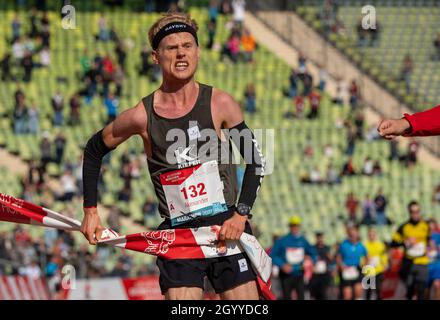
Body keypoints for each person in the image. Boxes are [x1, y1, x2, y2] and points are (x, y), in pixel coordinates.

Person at [80, 12, 265, 301]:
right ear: (156, 57)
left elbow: (255, 160)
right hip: (179, 238)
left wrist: (241, 214)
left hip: (224, 229)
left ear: (198, 52)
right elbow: (93, 149)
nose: (181, 53)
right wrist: (90, 210)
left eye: (187, 45)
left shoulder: (221, 103)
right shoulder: (141, 116)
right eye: (171, 47)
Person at [391, 201, 430, 300]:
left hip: (422, 262)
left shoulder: (425, 226)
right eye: (413, 211)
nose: (415, 214)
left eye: (417, 211)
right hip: (408, 263)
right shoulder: (404, 227)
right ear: (409, 212)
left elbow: (429, 241)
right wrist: (405, 242)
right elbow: (393, 243)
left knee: (421, 290)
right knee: (409, 291)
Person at [270, 216, 317, 300]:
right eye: (293, 225)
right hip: (286, 275)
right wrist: (282, 265)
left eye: (297, 225)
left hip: (299, 273)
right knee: (287, 297)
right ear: (290, 226)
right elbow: (272, 255)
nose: (295, 227)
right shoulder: (282, 240)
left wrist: (310, 261)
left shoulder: (303, 240)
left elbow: (314, 254)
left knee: (301, 297)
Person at [336, 223, 367, 300]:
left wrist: (364, 266)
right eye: (351, 232)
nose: (353, 234)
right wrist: (341, 266)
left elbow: (366, 257)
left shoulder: (361, 246)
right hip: (346, 270)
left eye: (354, 232)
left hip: (357, 269)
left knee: (358, 291)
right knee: (347, 294)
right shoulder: (344, 245)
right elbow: (338, 258)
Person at [363, 227, 388, 300]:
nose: (371, 236)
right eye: (370, 235)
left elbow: (383, 256)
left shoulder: (380, 245)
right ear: (368, 235)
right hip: (368, 271)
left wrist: (385, 264)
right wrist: (365, 262)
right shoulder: (364, 245)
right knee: (368, 291)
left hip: (378, 270)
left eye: (373, 235)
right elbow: (361, 258)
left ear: (376, 235)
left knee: (379, 290)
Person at [309, 232, 333, 300]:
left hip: (325, 274)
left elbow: (332, 259)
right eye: (318, 238)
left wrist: (329, 256)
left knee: (324, 293)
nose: (320, 239)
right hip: (315, 274)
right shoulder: (312, 248)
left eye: (321, 237)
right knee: (315, 293)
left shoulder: (327, 248)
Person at [428, 219, 440, 300]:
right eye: (429, 225)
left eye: (432, 225)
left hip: (437, 264)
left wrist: (436, 247)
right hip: (426, 265)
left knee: (437, 285)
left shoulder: (438, 236)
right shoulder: (423, 236)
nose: (431, 227)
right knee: (426, 289)